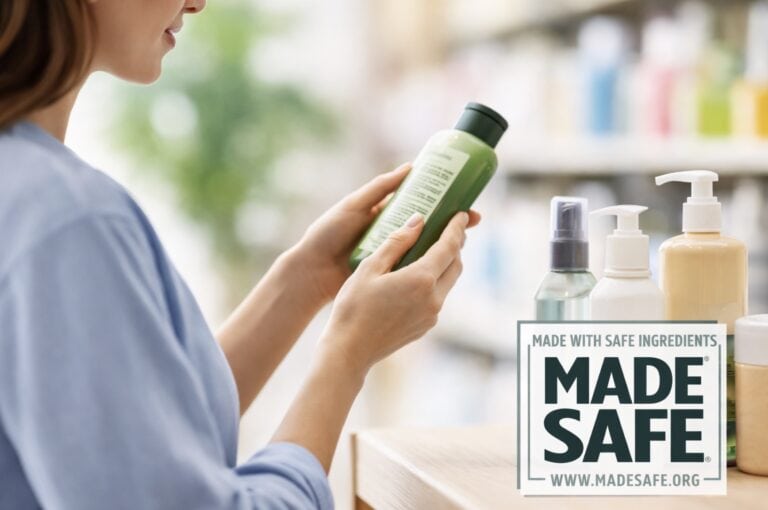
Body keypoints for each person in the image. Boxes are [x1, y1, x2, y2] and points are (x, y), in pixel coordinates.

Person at [0, 1, 479, 509]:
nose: (197, 1)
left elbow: (139, 430)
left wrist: (305, 280)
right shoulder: (67, 219)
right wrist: (347, 357)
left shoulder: (29, 187)